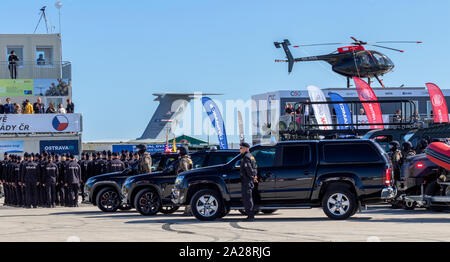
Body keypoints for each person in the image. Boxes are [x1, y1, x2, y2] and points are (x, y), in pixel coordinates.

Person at [239, 142, 258, 221]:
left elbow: (249, 169)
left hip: (247, 181)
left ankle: (250, 216)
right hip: (249, 180)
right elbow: (255, 167)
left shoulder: (246, 157)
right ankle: (250, 215)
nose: (240, 150)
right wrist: (254, 176)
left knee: (247, 199)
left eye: (241, 148)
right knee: (248, 198)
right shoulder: (251, 156)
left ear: (246, 148)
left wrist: (251, 177)